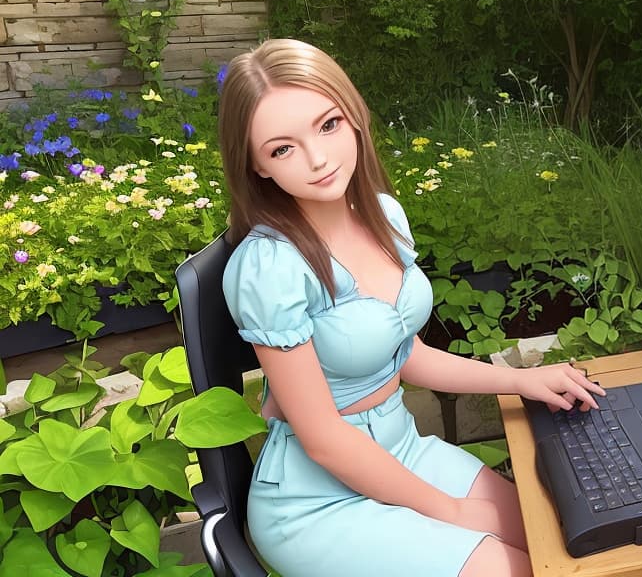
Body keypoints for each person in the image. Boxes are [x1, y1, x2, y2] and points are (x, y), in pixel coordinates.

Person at [218, 38, 606, 577]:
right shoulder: (270, 268)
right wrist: (449, 511)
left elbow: (407, 358)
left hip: (401, 448)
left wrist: (521, 380)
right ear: (257, 167)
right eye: (282, 148)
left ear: (353, 116)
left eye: (327, 125)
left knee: (565, 540)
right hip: (316, 497)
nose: (318, 158)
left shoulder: (382, 215)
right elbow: (324, 439)